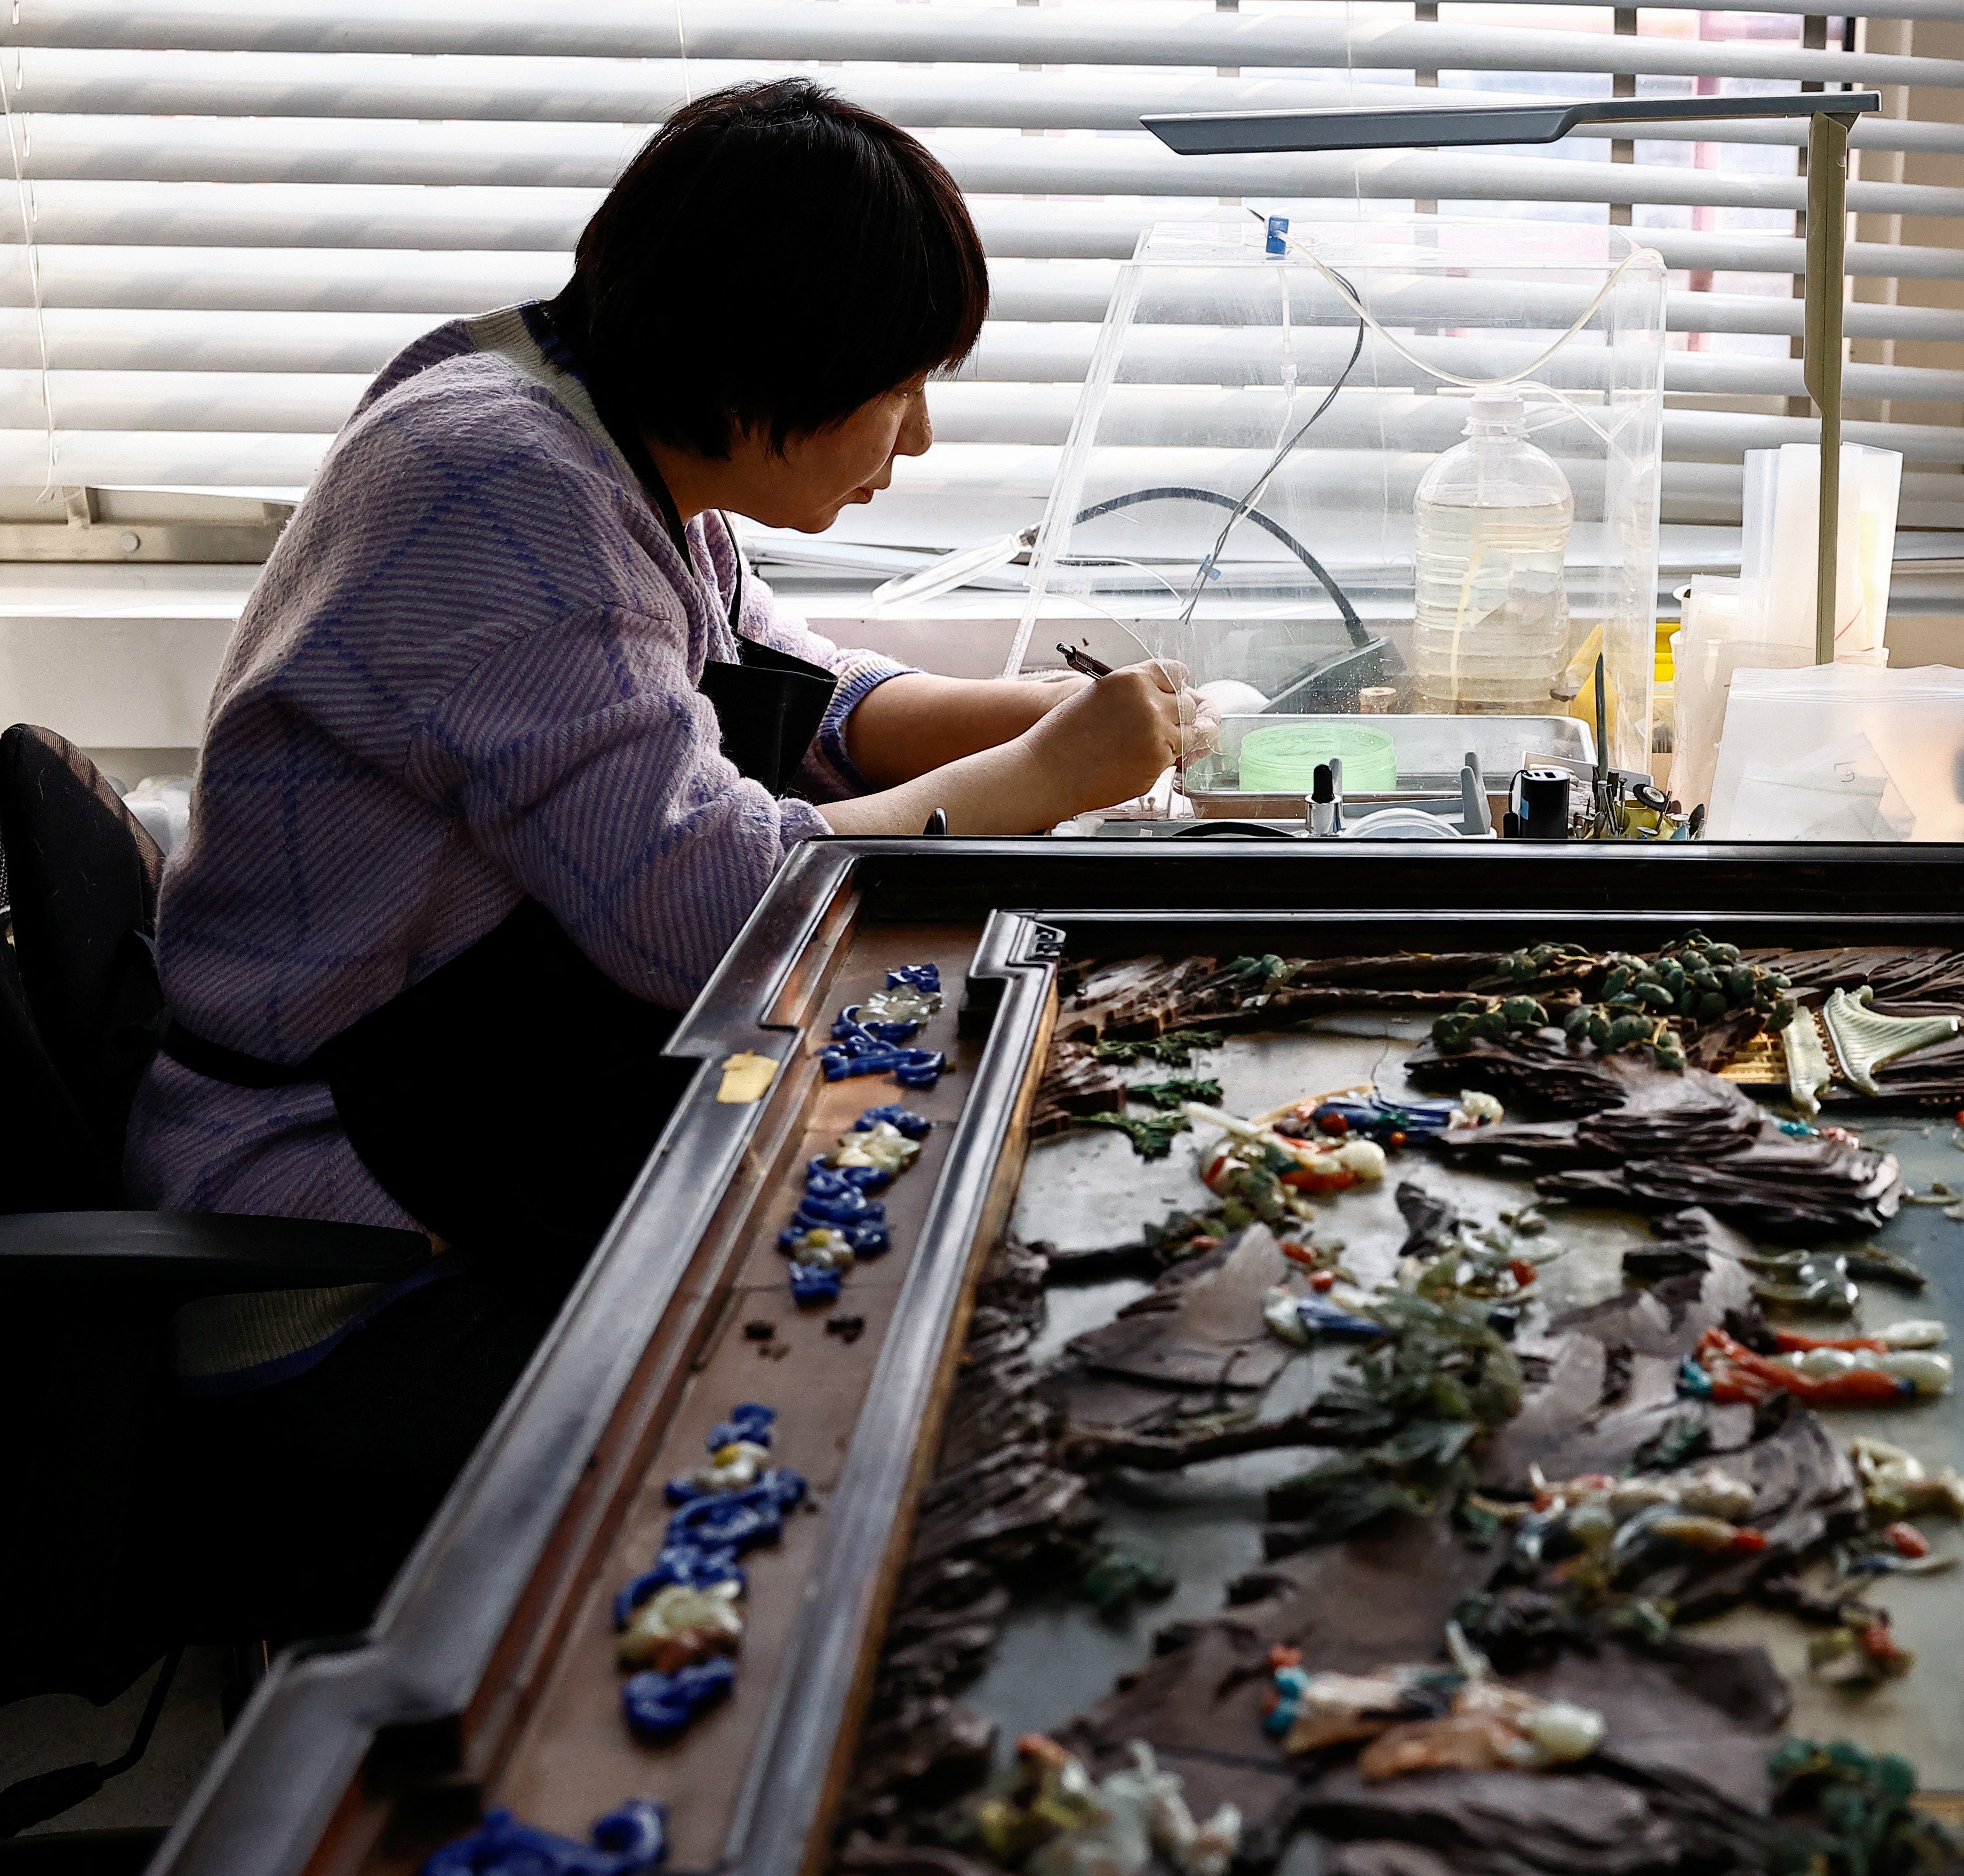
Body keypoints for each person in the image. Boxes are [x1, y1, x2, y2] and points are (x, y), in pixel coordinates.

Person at [113, 79, 1195, 1637]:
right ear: (767, 368)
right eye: (897, 389)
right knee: (854, 1439)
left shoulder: (582, 416)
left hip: (471, 1135)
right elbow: (715, 909)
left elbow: (775, 684)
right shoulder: (503, 494)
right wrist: (1031, 779)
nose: (921, 435)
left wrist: (1029, 716)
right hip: (348, 1253)